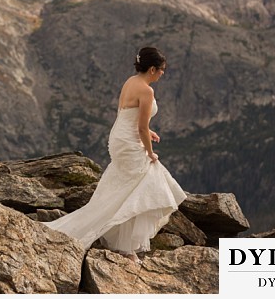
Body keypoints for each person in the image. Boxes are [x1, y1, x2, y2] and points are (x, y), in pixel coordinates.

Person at [44, 47, 186, 262]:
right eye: (161, 70)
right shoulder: (147, 91)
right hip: (129, 141)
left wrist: (148, 132)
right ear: (152, 69)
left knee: (128, 189)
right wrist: (150, 152)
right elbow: (139, 127)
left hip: (119, 136)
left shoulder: (131, 81)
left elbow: (129, 115)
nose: (162, 74)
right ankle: (126, 248)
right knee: (144, 183)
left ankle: (123, 245)